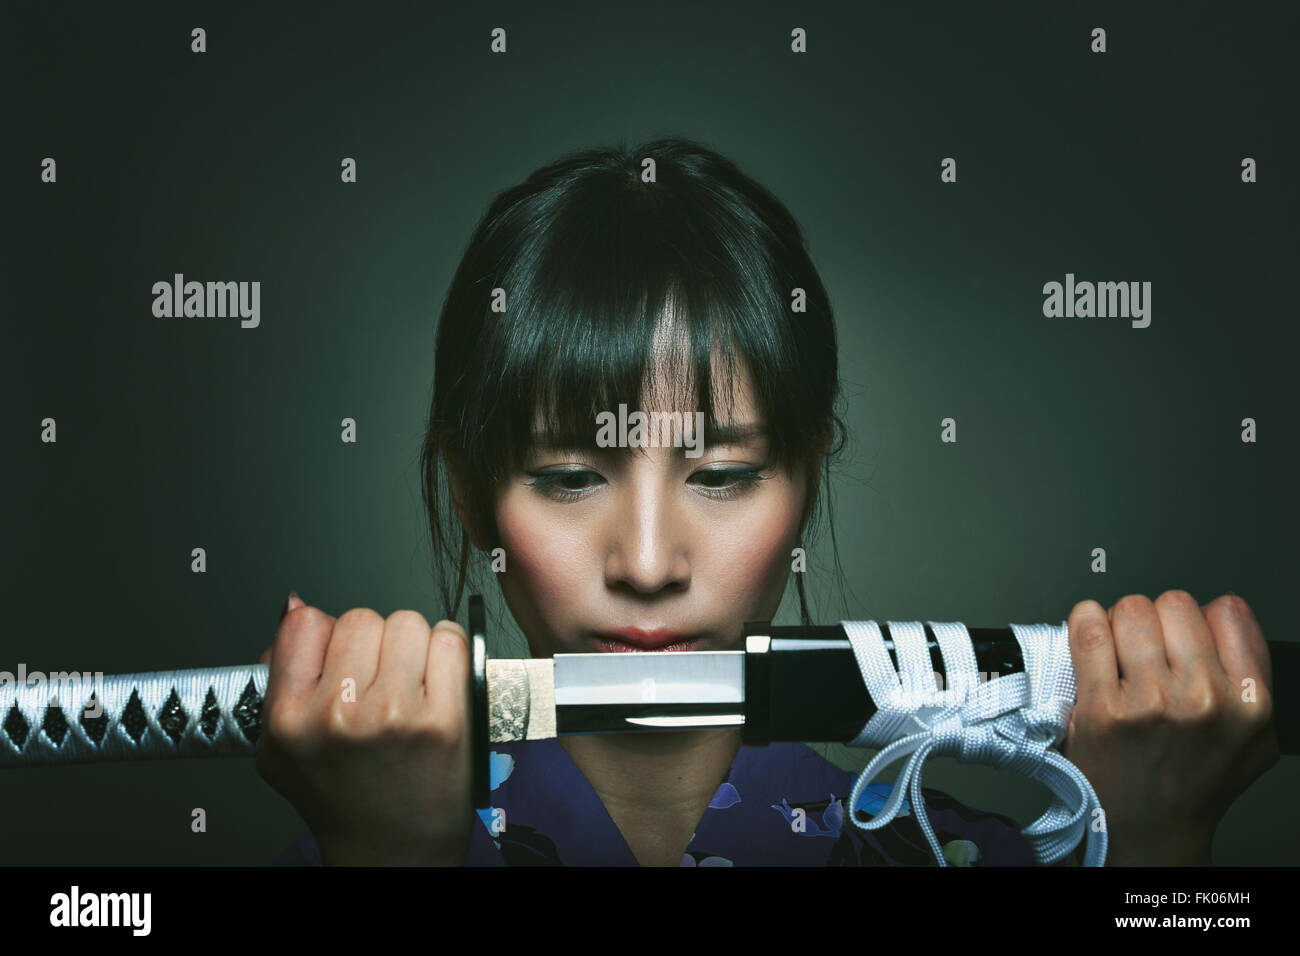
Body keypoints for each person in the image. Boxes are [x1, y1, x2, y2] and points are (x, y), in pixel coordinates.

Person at [256, 138, 1279, 867]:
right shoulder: (355, 849)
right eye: (569, 476)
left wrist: (1153, 852)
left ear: (805, 481)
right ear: (471, 494)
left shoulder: (957, 853)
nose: (648, 560)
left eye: (722, 475)